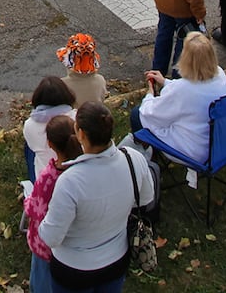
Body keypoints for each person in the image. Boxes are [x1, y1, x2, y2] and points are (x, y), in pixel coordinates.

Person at [37, 102, 153, 293]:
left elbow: (51, 237)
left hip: (73, 270)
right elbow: (146, 199)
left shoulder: (70, 181)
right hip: (116, 260)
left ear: (81, 134)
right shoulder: (134, 159)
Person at [129, 31, 226, 162]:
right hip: (219, 140)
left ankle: (146, 157)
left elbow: (150, 114)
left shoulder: (183, 90)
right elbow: (187, 89)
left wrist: (150, 94)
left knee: (136, 114)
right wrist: (165, 82)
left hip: (195, 150)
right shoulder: (220, 74)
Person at [24, 117, 84, 293]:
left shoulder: (47, 178)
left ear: (50, 144)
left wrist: (27, 201)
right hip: (76, 243)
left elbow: (36, 210)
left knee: (41, 281)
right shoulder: (84, 170)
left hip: (45, 245)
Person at [22, 77, 76, 180]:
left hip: (44, 179)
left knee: (29, 148)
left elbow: (32, 146)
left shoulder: (30, 125)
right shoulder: (76, 119)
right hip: (75, 173)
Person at [56, 33, 107, 108]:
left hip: (75, 117)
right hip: (96, 114)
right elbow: (102, 99)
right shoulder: (100, 80)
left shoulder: (62, 85)